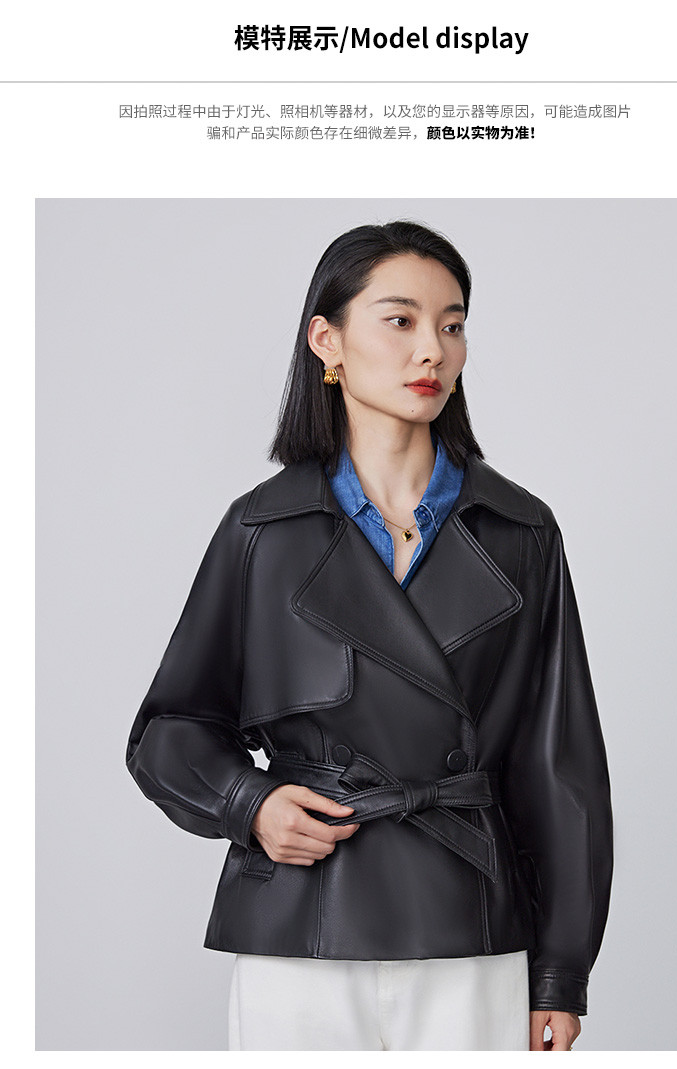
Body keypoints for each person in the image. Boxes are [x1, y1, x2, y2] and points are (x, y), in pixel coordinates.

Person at [126, 220, 614, 1051]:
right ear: (328, 341)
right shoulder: (262, 530)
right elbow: (168, 730)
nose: (432, 350)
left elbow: (559, 765)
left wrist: (561, 974)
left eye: (452, 325)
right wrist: (251, 803)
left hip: (470, 919)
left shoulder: (521, 531)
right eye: (400, 320)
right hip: (302, 920)